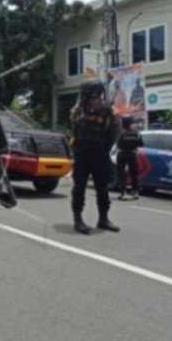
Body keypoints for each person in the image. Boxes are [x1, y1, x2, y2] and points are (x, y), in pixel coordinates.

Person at [70, 80, 120, 235]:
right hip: (82, 154)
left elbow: (115, 130)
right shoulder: (78, 110)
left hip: (100, 154)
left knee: (102, 187)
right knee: (79, 188)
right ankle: (78, 219)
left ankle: (103, 219)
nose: (96, 99)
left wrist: (106, 147)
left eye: (98, 95)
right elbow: (75, 129)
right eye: (92, 96)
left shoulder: (108, 110)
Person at [116, 116, 143, 200]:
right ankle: (135, 192)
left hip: (122, 154)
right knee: (134, 174)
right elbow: (141, 144)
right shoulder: (137, 134)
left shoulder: (121, 133)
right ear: (130, 124)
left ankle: (123, 193)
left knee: (121, 174)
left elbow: (118, 145)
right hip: (132, 154)